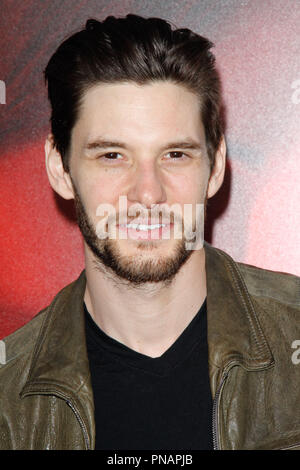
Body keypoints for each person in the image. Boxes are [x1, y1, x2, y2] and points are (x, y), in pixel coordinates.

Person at [0, 14, 299, 451]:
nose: (147, 192)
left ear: (214, 167)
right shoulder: (8, 403)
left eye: (175, 154)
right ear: (60, 169)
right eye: (112, 156)